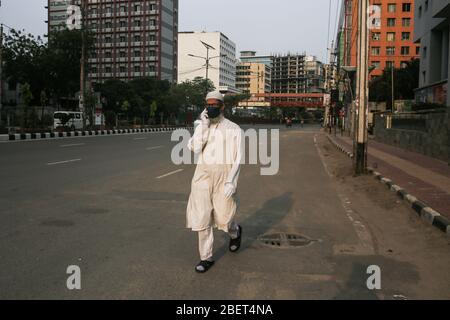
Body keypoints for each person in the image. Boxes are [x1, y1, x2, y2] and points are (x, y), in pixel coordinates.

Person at [186, 91, 243, 273]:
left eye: (214, 104)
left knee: (224, 218)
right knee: (203, 218)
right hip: (202, 177)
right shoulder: (202, 126)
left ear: (222, 106)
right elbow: (194, 148)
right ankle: (206, 257)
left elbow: (238, 158)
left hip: (224, 177)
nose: (211, 107)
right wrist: (203, 126)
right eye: (207, 105)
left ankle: (235, 231)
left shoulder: (234, 129)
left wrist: (231, 182)